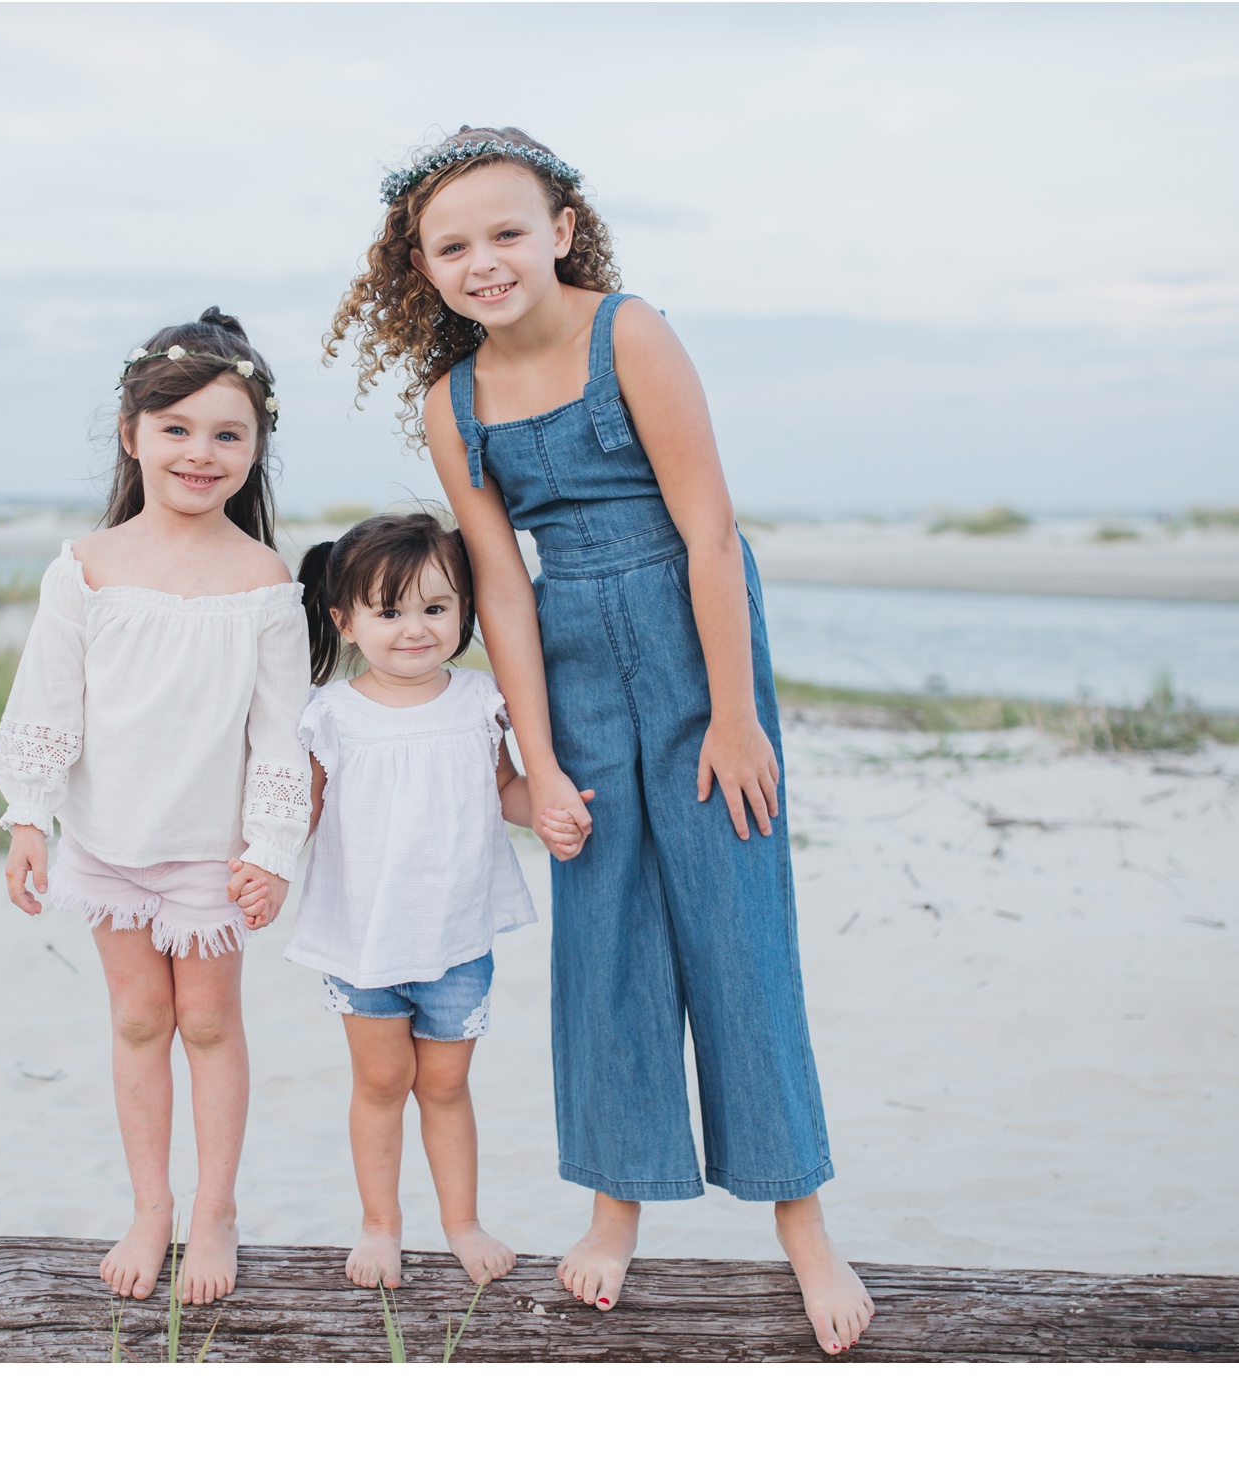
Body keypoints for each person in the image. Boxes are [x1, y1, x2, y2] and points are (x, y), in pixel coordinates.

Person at [324, 129, 875, 1353]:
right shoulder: (448, 400)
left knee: (736, 932)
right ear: (418, 268)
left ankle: (802, 1223)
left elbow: (712, 532)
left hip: (695, 651)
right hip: (570, 667)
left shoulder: (629, 332)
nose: (484, 261)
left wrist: (733, 716)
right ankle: (613, 1206)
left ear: (561, 230)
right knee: (607, 938)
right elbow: (502, 593)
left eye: (506, 232)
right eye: (450, 245)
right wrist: (539, 754)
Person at [0, 308, 309, 1306]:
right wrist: (28, 814)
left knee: (209, 1022)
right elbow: (46, 701)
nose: (200, 452)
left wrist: (270, 847)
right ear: (131, 434)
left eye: (227, 433)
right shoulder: (85, 567)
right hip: (109, 840)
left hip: (210, 852)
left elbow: (278, 735)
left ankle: (214, 1207)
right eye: (175, 428)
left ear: (256, 449)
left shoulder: (263, 581)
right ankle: (150, 1203)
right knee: (137, 1018)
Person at [281, 512, 583, 1290]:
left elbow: (508, 790)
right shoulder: (332, 714)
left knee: (446, 1086)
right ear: (346, 620)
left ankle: (461, 1220)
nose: (414, 629)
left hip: (456, 936)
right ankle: (381, 1224)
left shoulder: (482, 701)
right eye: (389, 612)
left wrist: (545, 814)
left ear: (466, 612)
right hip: (364, 941)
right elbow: (300, 814)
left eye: (435, 608)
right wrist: (261, 864)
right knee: (381, 1084)